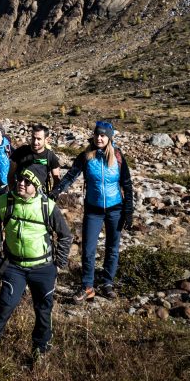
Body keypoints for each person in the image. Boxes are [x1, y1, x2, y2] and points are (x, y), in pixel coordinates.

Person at [0, 164, 73, 356]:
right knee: (4, 307)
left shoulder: (48, 206)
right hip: (14, 267)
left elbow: (65, 235)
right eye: (19, 179)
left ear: (36, 185)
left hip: (43, 268)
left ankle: (40, 352)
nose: (21, 183)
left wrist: (58, 265)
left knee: (43, 312)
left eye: (27, 181)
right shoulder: (5, 201)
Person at [51, 121, 134, 302]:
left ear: (109, 138)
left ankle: (107, 284)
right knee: (88, 249)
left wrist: (129, 210)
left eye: (103, 135)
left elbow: (127, 184)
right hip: (93, 210)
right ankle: (87, 286)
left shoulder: (118, 157)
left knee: (112, 248)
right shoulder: (86, 156)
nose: (99, 138)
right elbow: (71, 176)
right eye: (97, 134)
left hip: (115, 209)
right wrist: (57, 190)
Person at [10, 123, 63, 195]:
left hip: (40, 196)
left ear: (46, 139)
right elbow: (10, 174)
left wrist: (53, 195)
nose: (35, 142)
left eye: (39, 139)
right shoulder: (20, 151)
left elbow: (56, 179)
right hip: (20, 194)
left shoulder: (50, 156)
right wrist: (12, 190)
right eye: (33, 138)